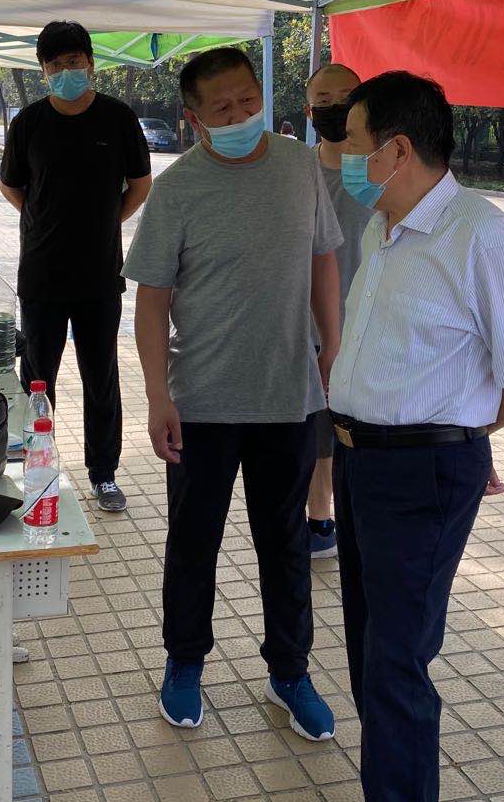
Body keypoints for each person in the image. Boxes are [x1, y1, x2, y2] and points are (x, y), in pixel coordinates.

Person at [328, 72, 504, 800]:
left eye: (353, 143)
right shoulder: (382, 225)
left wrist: (460, 433)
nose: (342, 156)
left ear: (397, 150)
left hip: (419, 473)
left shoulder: (479, 235)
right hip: (358, 461)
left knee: (397, 661)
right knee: (370, 650)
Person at [123, 46, 342, 741]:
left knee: (287, 542)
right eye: (223, 108)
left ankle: (290, 672)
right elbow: (152, 301)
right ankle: (185, 661)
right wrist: (157, 396)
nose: (242, 114)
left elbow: (323, 259)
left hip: (288, 394)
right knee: (194, 542)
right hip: (202, 401)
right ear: (194, 120)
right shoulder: (178, 189)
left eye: (249, 99)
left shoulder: (300, 167)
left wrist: (332, 347)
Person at [0, 21, 152, 513]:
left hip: (99, 275)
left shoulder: (118, 117)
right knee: (37, 377)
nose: (67, 71)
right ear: (43, 70)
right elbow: (12, 186)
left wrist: (107, 221)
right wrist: (44, 220)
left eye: (74, 62)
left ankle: (103, 472)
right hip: (41, 273)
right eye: (56, 65)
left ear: (90, 63)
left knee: (100, 376)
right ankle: (33, 463)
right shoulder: (28, 123)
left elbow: (141, 183)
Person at [300, 63, 370, 559]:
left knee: (361, 431)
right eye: (323, 101)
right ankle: (318, 519)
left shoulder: (386, 172)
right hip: (307, 329)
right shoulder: (297, 172)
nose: (335, 108)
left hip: (370, 327)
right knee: (316, 432)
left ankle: (355, 518)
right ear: (309, 112)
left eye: (345, 98)